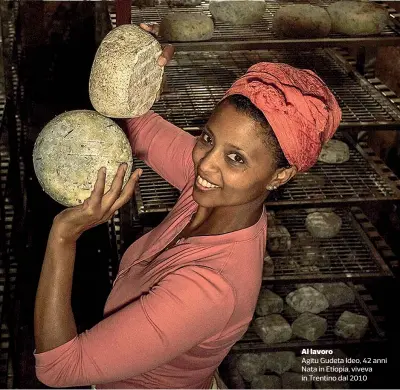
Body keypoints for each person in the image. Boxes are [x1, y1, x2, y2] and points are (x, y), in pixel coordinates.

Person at [33, 24, 341, 389]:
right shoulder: (214, 194)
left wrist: (63, 236)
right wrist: (135, 65)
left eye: (236, 158)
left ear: (279, 175)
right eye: (208, 138)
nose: (206, 164)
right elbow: (138, 127)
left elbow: (58, 370)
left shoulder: (209, 289)